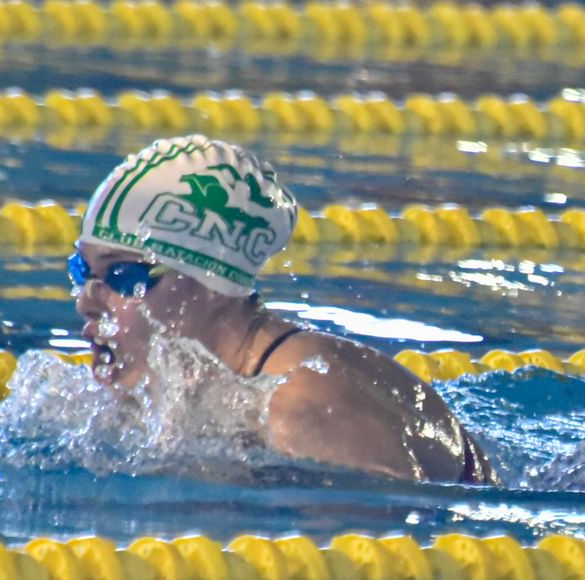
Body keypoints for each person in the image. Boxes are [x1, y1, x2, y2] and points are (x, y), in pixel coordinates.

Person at [71, 134, 495, 485]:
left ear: (213, 283)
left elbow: (398, 561)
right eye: (81, 271)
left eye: (123, 276)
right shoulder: (225, 383)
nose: (87, 301)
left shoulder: (302, 410)